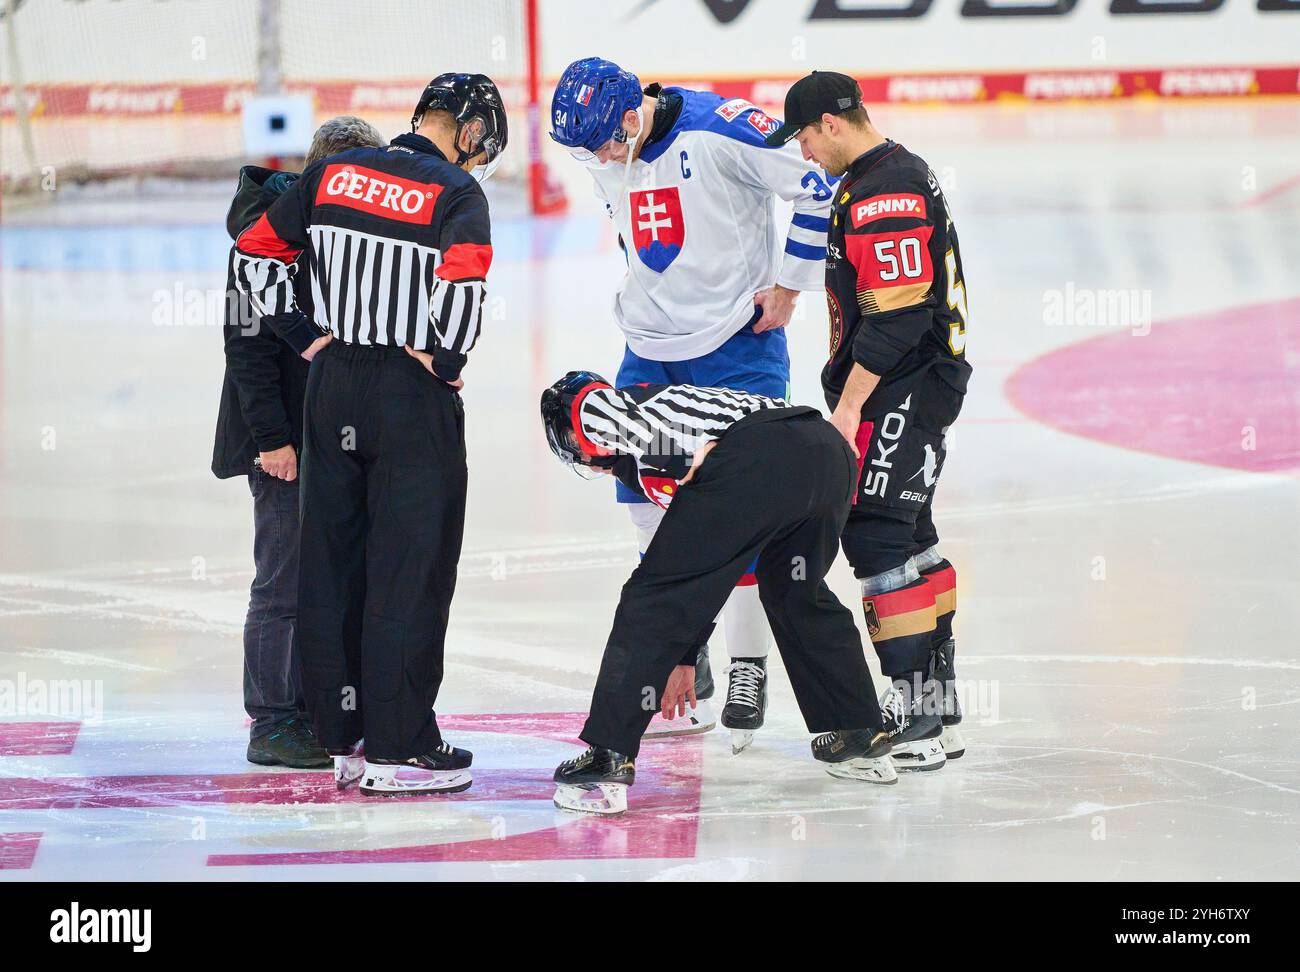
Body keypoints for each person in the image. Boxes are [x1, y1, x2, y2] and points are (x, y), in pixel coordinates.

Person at [549, 56, 838, 751]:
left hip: (739, 346)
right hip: (649, 347)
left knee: (742, 515)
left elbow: (817, 184)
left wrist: (792, 286)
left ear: (630, 111)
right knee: (645, 504)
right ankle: (688, 648)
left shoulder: (719, 128)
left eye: (606, 142)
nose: (600, 158)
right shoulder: (605, 143)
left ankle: (748, 664)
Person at [231, 74, 507, 796]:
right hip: (410, 394)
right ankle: (401, 746)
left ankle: (343, 741)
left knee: (332, 566)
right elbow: (463, 306)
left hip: (331, 387)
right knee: (410, 570)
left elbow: (253, 253)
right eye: (481, 150)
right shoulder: (456, 192)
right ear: (472, 133)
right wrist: (445, 361)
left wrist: (306, 338)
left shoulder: (331, 175)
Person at [539, 372, 908, 816]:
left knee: (649, 599)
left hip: (756, 454)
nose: (583, 455)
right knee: (796, 592)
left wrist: (685, 458)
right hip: (826, 457)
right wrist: (684, 655)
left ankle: (607, 756)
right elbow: (705, 567)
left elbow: (676, 579)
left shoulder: (591, 405)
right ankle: (857, 730)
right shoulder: (649, 457)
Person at [765, 72, 973, 768]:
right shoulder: (884, 171)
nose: (802, 153)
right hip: (919, 380)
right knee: (910, 532)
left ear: (831, 122)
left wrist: (852, 402)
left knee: (878, 534)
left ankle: (917, 717)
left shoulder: (885, 188)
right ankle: (936, 709)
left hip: (903, 382)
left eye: (802, 136)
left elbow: (898, 315)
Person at [212, 115, 386, 770]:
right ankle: (274, 720)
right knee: (284, 579)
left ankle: (324, 707)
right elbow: (245, 351)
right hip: (284, 442)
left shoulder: (362, 234)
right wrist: (272, 442)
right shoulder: (261, 238)